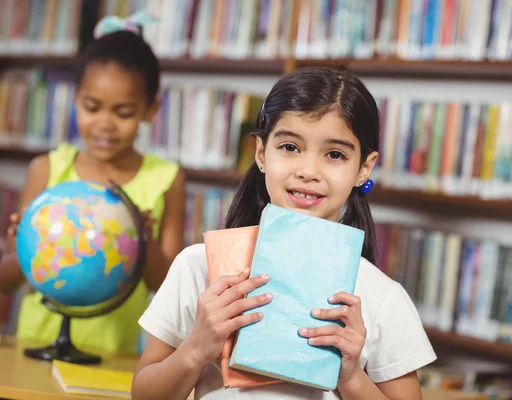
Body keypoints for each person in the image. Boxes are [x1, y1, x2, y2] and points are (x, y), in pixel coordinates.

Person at [132, 66, 436, 400]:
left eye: (334, 154)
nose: (308, 171)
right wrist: (195, 349)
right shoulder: (198, 267)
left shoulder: (381, 297)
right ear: (261, 153)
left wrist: (350, 378)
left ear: (364, 167)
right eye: (290, 147)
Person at [0, 12, 186, 356]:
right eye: (92, 107)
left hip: (114, 354)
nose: (105, 124)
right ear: (75, 99)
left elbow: (169, 287)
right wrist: (22, 244)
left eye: (124, 112)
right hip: (35, 347)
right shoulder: (46, 168)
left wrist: (143, 241)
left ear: (151, 110)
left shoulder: (167, 179)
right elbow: (6, 281)